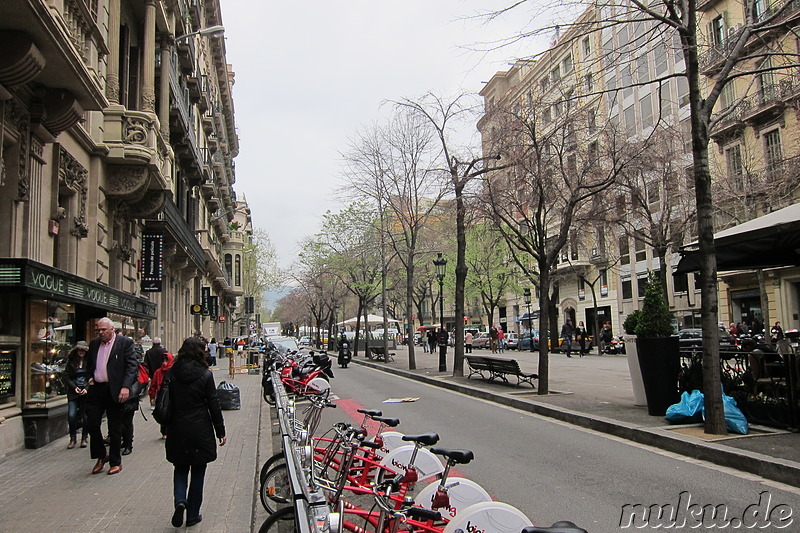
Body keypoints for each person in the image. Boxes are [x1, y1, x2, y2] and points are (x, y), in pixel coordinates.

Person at [166, 337, 227, 528]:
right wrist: (221, 431)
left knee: (180, 467)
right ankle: (192, 514)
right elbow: (213, 405)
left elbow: (166, 400)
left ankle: (180, 501)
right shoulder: (205, 375)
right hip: (200, 428)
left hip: (177, 427)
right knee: (198, 471)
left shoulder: (172, 373)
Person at [85, 317, 137, 475]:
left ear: (112, 329)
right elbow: (90, 363)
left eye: (103, 330)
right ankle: (101, 455)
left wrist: (126, 387)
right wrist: (90, 377)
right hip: (97, 390)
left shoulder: (124, 343)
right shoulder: (94, 344)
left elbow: (131, 366)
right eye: (98, 330)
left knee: (115, 428)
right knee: (92, 424)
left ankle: (115, 461)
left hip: (115, 390)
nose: (100, 333)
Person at [64, 340, 91, 449]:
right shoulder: (71, 362)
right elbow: (66, 376)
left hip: (85, 392)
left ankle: (84, 437)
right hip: (73, 392)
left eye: (83, 350)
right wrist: (74, 387)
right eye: (79, 350)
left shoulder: (89, 362)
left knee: (86, 417)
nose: (81, 352)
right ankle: (73, 438)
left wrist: (87, 388)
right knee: (71, 415)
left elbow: (92, 376)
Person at [149, 351, 174, 439]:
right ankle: (164, 432)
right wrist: (152, 397)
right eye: (163, 361)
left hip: (172, 396)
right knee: (163, 413)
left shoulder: (174, 371)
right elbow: (153, 385)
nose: (164, 363)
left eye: (166, 361)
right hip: (161, 396)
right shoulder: (158, 372)